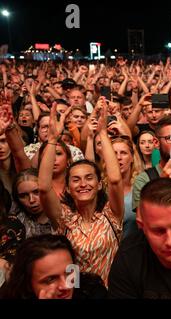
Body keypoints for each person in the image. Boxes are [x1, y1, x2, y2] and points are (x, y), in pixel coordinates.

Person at [38, 99, 124, 285]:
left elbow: (116, 180)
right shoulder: (64, 218)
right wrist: (52, 140)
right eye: (76, 180)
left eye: (89, 177)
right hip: (74, 291)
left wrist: (102, 133)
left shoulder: (111, 215)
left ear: (100, 184)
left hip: (110, 294)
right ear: (68, 188)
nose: (83, 184)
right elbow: (44, 188)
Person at [0, 234, 106, 299]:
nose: (66, 286)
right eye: (51, 279)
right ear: (27, 284)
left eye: (69, 273)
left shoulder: (93, 291)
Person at [12, 168, 55, 238]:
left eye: (36, 192)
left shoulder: (62, 216)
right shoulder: (16, 222)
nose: (31, 200)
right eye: (23, 196)